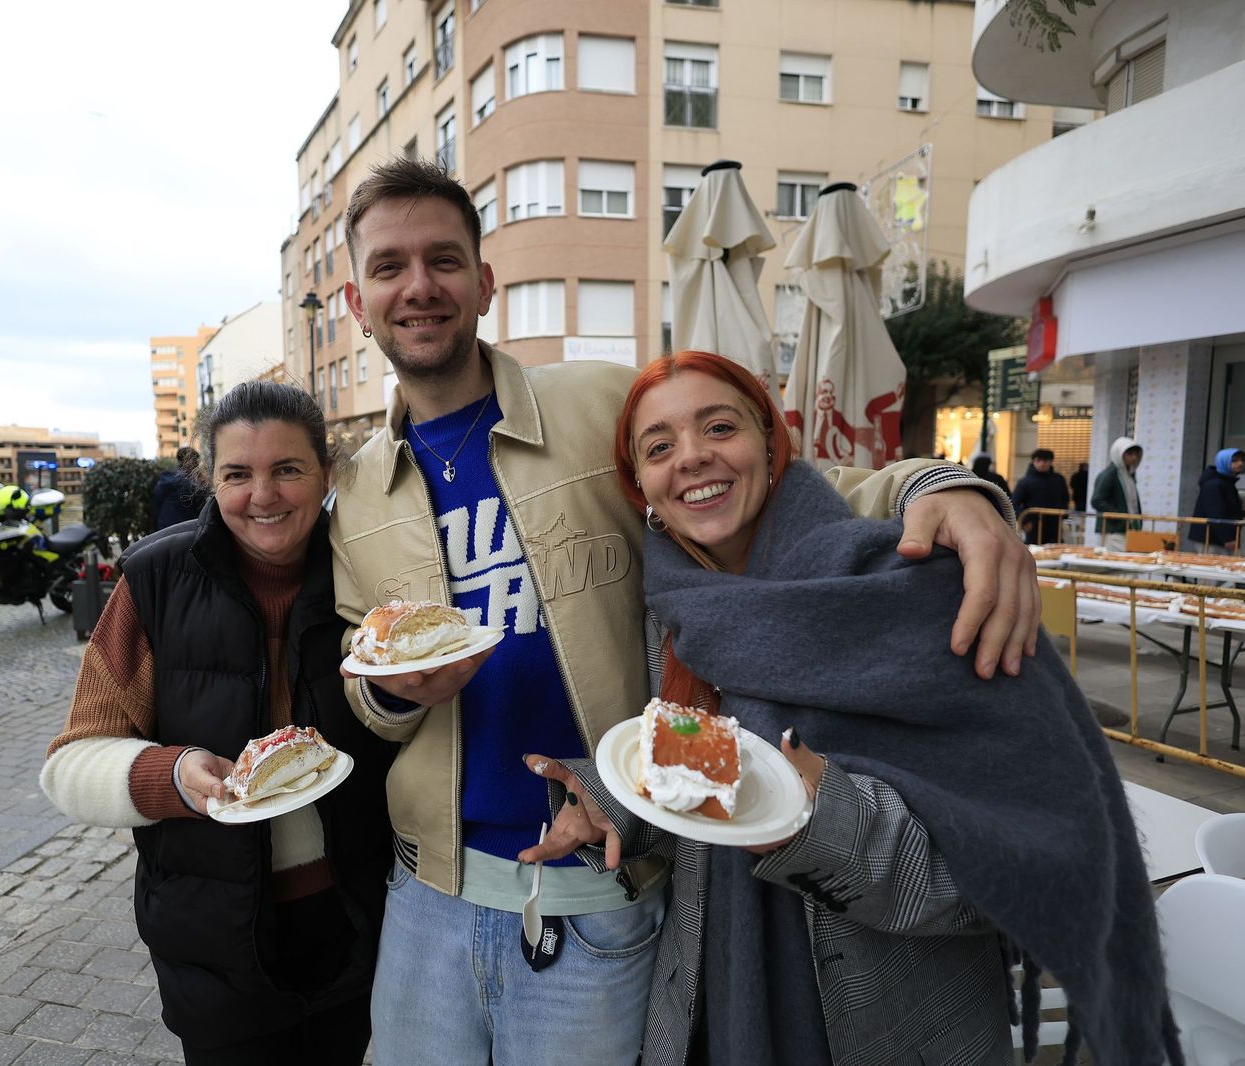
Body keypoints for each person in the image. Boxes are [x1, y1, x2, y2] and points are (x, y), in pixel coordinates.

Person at [328, 157, 1040, 1065]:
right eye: (389, 267)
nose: (419, 287)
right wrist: (388, 694)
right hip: (427, 893)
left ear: (485, 281)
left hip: (600, 884)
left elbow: (769, 480)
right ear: (357, 302)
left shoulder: (596, 403)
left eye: (444, 260)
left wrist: (940, 486)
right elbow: (359, 661)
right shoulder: (357, 491)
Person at [529, 351, 1178, 1065]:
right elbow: (711, 789)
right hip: (716, 1008)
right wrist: (617, 800)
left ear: (771, 443)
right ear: (641, 486)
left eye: (719, 427)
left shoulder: (915, 586)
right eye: (658, 448)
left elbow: (1016, 868)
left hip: (899, 1027)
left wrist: (817, 822)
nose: (690, 457)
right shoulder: (672, 612)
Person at [40, 382, 395, 1065]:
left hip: (356, 920)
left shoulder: (367, 570)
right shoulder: (155, 579)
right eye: (237, 474)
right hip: (213, 939)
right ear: (209, 479)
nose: (263, 495)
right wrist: (173, 775)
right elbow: (71, 762)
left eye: (287, 469)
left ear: (326, 473)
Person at [1188, 447, 1245, 554]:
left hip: (1217, 538)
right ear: (1223, 461)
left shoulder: (1226, 483)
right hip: (1212, 539)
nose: (1240, 463)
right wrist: (1227, 538)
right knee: (1214, 564)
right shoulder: (1214, 484)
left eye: (1242, 460)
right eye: (1234, 460)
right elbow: (1215, 513)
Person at [1091, 436, 1143, 551]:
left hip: (1129, 528)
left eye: (1136, 454)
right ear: (1119, 454)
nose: (1134, 458)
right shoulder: (1109, 475)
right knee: (1121, 560)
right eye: (1130, 454)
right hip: (1114, 530)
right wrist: (1119, 516)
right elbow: (1097, 501)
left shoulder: (1128, 475)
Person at [1011, 447, 1071, 544]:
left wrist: (1063, 516)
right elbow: (1014, 503)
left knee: (1055, 548)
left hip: (1055, 525)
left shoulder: (1058, 479)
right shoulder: (1025, 482)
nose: (1042, 463)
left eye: (1045, 461)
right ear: (1033, 462)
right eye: (1038, 460)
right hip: (1033, 525)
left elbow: (1065, 499)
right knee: (1034, 549)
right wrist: (1025, 520)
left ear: (1051, 462)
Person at [152, 446, 205, 530]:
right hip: (184, 529)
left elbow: (156, 504)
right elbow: (201, 508)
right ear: (186, 460)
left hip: (165, 527)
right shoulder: (191, 483)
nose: (197, 463)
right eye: (194, 460)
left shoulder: (167, 477)